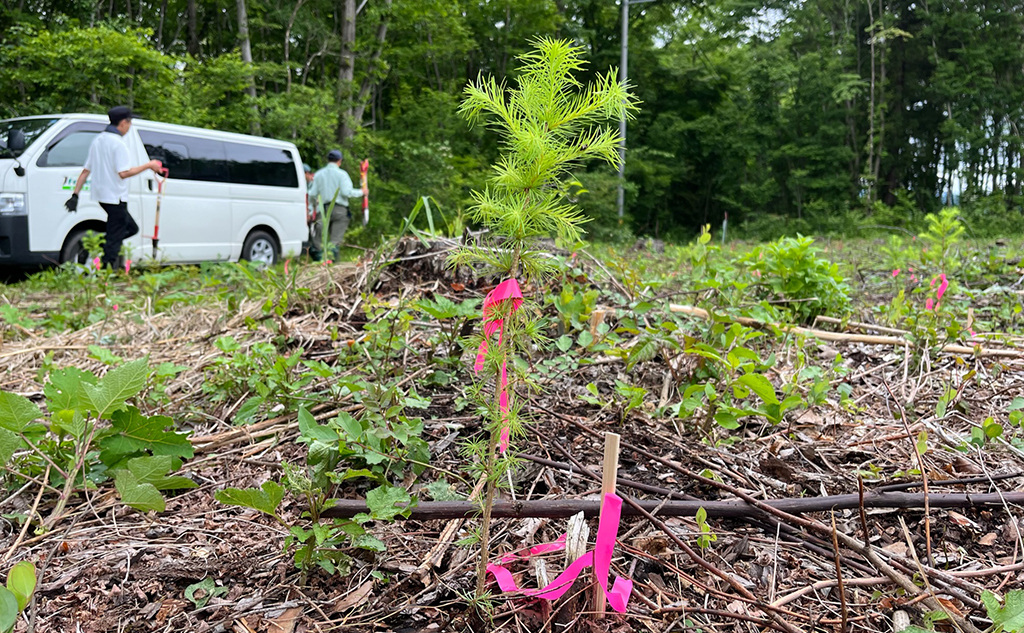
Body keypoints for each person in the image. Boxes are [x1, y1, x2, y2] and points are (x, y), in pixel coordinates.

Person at [64, 106, 163, 268]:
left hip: (102, 196)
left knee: (129, 228)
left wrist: (75, 195)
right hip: (116, 197)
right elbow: (123, 173)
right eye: (130, 123)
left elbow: (85, 171)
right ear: (123, 123)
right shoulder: (118, 144)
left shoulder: (98, 141)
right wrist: (149, 165)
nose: (130, 127)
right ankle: (105, 268)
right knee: (119, 233)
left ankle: (97, 245)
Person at [308, 149, 366, 260]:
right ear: (339, 161)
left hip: (323, 209)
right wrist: (361, 192)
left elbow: (312, 194)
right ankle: (333, 263)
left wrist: (311, 210)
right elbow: (346, 192)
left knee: (319, 240)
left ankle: (319, 262)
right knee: (335, 240)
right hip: (340, 210)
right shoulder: (342, 175)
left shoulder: (319, 175)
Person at [302, 163, 324, 260]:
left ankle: (318, 256)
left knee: (316, 234)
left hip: (316, 212)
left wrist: (310, 213)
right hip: (307, 211)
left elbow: (313, 199)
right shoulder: (305, 184)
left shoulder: (313, 183)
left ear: (306, 173)